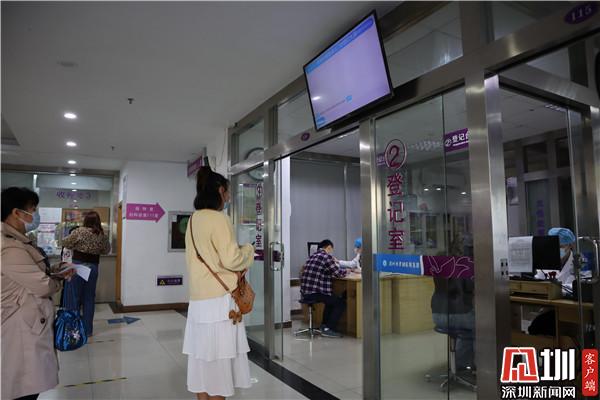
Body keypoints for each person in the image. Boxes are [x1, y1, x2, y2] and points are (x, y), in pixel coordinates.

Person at [182, 166, 255, 400]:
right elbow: (231, 259)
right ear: (220, 191)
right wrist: (248, 250)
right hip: (220, 303)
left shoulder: (193, 219)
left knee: (202, 364)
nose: (229, 197)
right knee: (220, 368)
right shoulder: (219, 219)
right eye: (228, 192)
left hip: (198, 303)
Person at [1, 187, 74, 400]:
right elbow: (42, 286)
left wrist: (55, 271)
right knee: (23, 385)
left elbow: (30, 274)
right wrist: (57, 280)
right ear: (16, 212)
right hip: (20, 325)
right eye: (32, 210)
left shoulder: (18, 240)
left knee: (26, 383)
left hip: (26, 320)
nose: (36, 216)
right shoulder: (9, 246)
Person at [61, 211, 110, 336]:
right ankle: (88, 330)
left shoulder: (79, 231)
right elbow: (106, 250)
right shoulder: (102, 235)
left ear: (86, 220)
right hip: (93, 267)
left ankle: (74, 330)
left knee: (74, 297)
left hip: (78, 266)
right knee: (89, 298)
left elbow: (65, 242)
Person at [431, 233, 475, 371]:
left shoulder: (440, 259)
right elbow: (469, 287)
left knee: (467, 329)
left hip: (437, 314)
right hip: (457, 315)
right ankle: (476, 365)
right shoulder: (463, 263)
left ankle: (459, 364)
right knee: (484, 327)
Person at [529, 227, 577, 336]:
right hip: (550, 307)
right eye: (554, 247)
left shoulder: (579, 262)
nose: (557, 250)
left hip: (571, 309)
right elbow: (538, 280)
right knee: (536, 328)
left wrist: (556, 289)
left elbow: (580, 286)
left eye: (561, 247)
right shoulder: (545, 261)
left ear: (570, 245)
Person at [300, 239, 349, 338]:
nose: (331, 252)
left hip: (305, 292)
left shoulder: (312, 256)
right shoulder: (326, 256)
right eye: (331, 249)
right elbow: (338, 273)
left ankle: (324, 326)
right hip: (315, 292)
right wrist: (347, 271)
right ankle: (329, 328)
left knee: (330, 299)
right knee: (340, 303)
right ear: (329, 247)